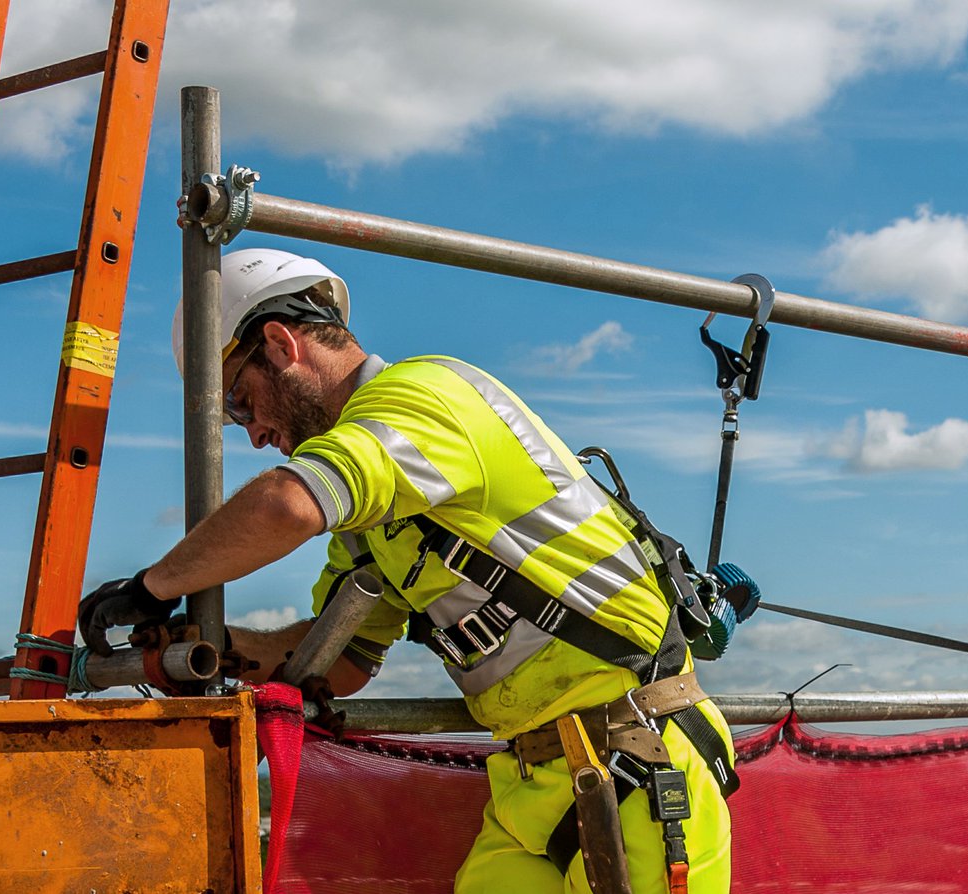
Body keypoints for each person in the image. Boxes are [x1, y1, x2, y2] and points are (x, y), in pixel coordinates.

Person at [78, 247, 736, 893]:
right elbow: (341, 662)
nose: (252, 434)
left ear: (280, 345)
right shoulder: (372, 518)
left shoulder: (420, 398)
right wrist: (218, 649)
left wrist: (153, 588)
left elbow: (286, 505)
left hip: (637, 751)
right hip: (535, 780)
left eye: (242, 403)